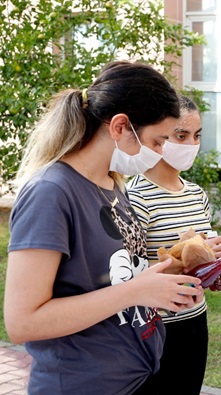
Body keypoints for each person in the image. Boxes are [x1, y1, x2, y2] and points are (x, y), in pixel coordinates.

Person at [4, 61, 203, 395]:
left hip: (136, 375)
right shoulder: (51, 192)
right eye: (157, 141)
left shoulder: (110, 183)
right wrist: (137, 290)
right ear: (120, 127)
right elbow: (22, 322)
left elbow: (107, 279)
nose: (159, 154)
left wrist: (173, 273)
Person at [127, 95, 221, 394]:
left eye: (197, 135)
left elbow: (200, 258)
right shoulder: (137, 197)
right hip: (154, 326)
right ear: (160, 137)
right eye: (181, 135)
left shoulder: (196, 194)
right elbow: (127, 274)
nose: (191, 144)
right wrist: (181, 260)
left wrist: (213, 258)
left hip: (194, 319)